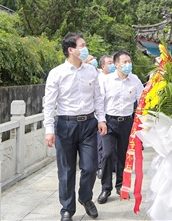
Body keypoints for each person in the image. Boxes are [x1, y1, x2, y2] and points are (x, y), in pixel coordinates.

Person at [44, 33, 107, 221]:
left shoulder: (92, 72)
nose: (86, 48)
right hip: (65, 125)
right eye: (82, 45)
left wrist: (101, 119)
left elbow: (98, 98)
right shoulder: (57, 73)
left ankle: (85, 197)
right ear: (71, 50)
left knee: (90, 167)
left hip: (88, 124)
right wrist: (49, 130)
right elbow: (49, 104)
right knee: (66, 170)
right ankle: (67, 209)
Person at [97, 50, 144, 204]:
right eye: (125, 62)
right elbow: (99, 102)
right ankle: (106, 188)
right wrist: (101, 120)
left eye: (129, 61)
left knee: (123, 155)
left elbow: (142, 100)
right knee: (107, 154)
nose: (128, 64)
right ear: (116, 64)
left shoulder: (135, 80)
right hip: (109, 121)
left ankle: (121, 185)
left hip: (126, 122)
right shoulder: (107, 80)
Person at [95, 54, 116, 179]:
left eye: (113, 62)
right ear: (103, 66)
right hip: (101, 116)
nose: (112, 65)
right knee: (101, 144)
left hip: (114, 116)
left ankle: (112, 166)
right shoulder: (99, 78)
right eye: (109, 63)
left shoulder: (116, 78)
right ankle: (100, 167)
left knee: (112, 146)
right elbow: (99, 100)